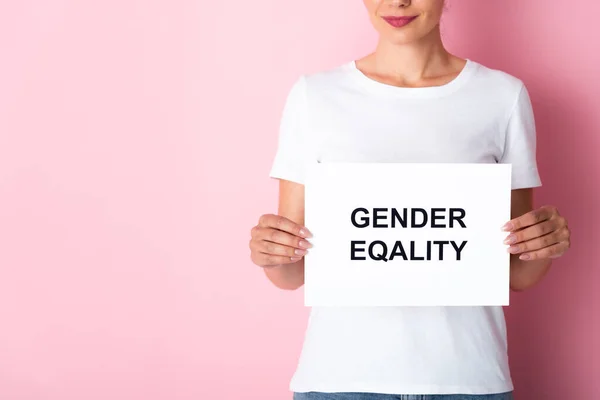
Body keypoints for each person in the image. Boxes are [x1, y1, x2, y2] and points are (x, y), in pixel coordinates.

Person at [248, 0, 572, 399]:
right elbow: (291, 273)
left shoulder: (502, 96)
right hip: (340, 379)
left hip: (467, 379)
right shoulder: (314, 96)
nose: (397, 1)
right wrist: (270, 250)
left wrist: (545, 243)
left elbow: (516, 272)